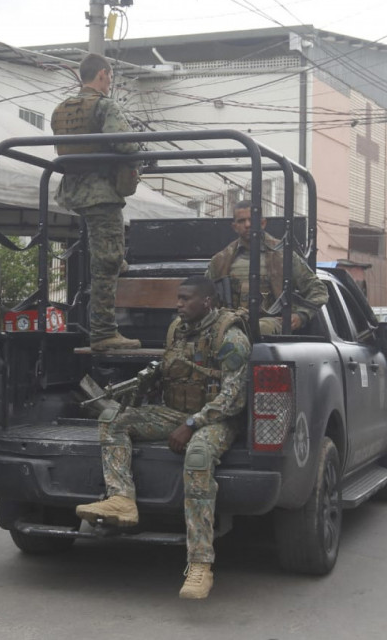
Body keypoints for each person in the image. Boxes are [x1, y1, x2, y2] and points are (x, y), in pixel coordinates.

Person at [75, 275, 250, 600]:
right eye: (178, 298)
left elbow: (233, 399)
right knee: (113, 418)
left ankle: (200, 564)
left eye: (185, 299)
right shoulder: (177, 329)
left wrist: (191, 424)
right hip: (174, 411)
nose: (178, 304)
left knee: (197, 457)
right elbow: (172, 368)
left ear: (207, 302)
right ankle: (122, 500)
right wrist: (147, 383)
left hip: (216, 419)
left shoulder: (231, 336)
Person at [52, 53, 144, 352]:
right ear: (102, 74)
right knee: (106, 262)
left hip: (74, 190)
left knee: (104, 250)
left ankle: (116, 258)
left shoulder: (62, 108)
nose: (110, 83)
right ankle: (104, 332)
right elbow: (126, 144)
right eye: (111, 78)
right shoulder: (104, 106)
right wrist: (142, 148)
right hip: (101, 192)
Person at [206, 200, 329, 335]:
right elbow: (203, 295)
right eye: (241, 221)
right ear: (234, 226)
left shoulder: (283, 255)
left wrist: (301, 316)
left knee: (260, 328)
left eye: (252, 220)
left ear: (263, 223)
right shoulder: (220, 260)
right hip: (230, 324)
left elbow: (318, 289)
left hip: (271, 325)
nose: (247, 225)